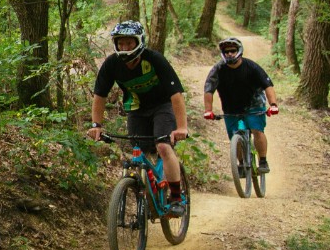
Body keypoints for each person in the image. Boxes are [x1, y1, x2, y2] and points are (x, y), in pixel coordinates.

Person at [87, 21, 190, 215]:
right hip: (136, 109)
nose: (124, 48)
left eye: (129, 43)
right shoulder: (112, 64)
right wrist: (96, 125)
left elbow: (176, 94)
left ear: (139, 42)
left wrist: (182, 127)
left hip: (163, 106)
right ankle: (149, 193)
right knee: (138, 153)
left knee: (163, 146)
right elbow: (99, 95)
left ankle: (176, 198)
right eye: (121, 43)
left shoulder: (154, 60)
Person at [202, 37, 279, 173]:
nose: (229, 54)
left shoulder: (251, 66)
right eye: (226, 52)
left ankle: (263, 161)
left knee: (257, 130)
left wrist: (273, 104)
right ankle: (242, 163)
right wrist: (208, 110)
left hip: (254, 105)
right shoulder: (218, 69)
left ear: (239, 51)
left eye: (232, 51)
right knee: (234, 136)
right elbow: (209, 89)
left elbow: (268, 85)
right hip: (230, 107)